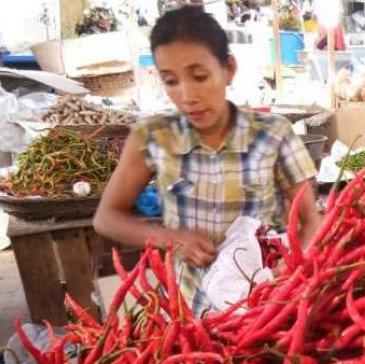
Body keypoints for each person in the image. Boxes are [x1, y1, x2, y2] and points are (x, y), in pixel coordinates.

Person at [94, 6, 321, 313]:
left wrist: (293, 268)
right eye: (171, 81)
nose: (187, 95)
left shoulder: (273, 134)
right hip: (187, 314)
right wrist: (169, 238)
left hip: (264, 311)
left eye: (199, 76)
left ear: (228, 69)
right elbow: (106, 217)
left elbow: (311, 221)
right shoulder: (152, 137)